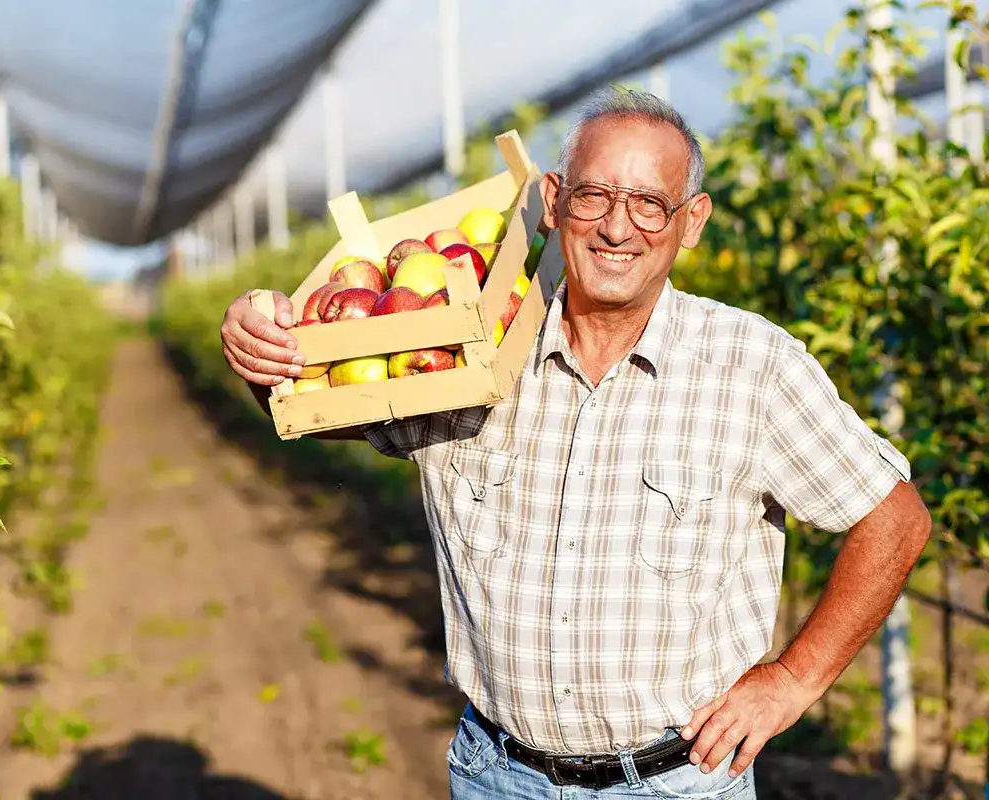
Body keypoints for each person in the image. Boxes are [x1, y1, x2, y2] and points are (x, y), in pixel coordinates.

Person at [218, 87, 932, 799]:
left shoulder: (751, 365)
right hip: (498, 776)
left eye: (650, 204)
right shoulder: (466, 345)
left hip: (674, 783)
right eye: (593, 196)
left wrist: (792, 681)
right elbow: (316, 413)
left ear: (692, 223)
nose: (617, 228)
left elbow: (894, 517)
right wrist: (266, 354)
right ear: (554, 201)